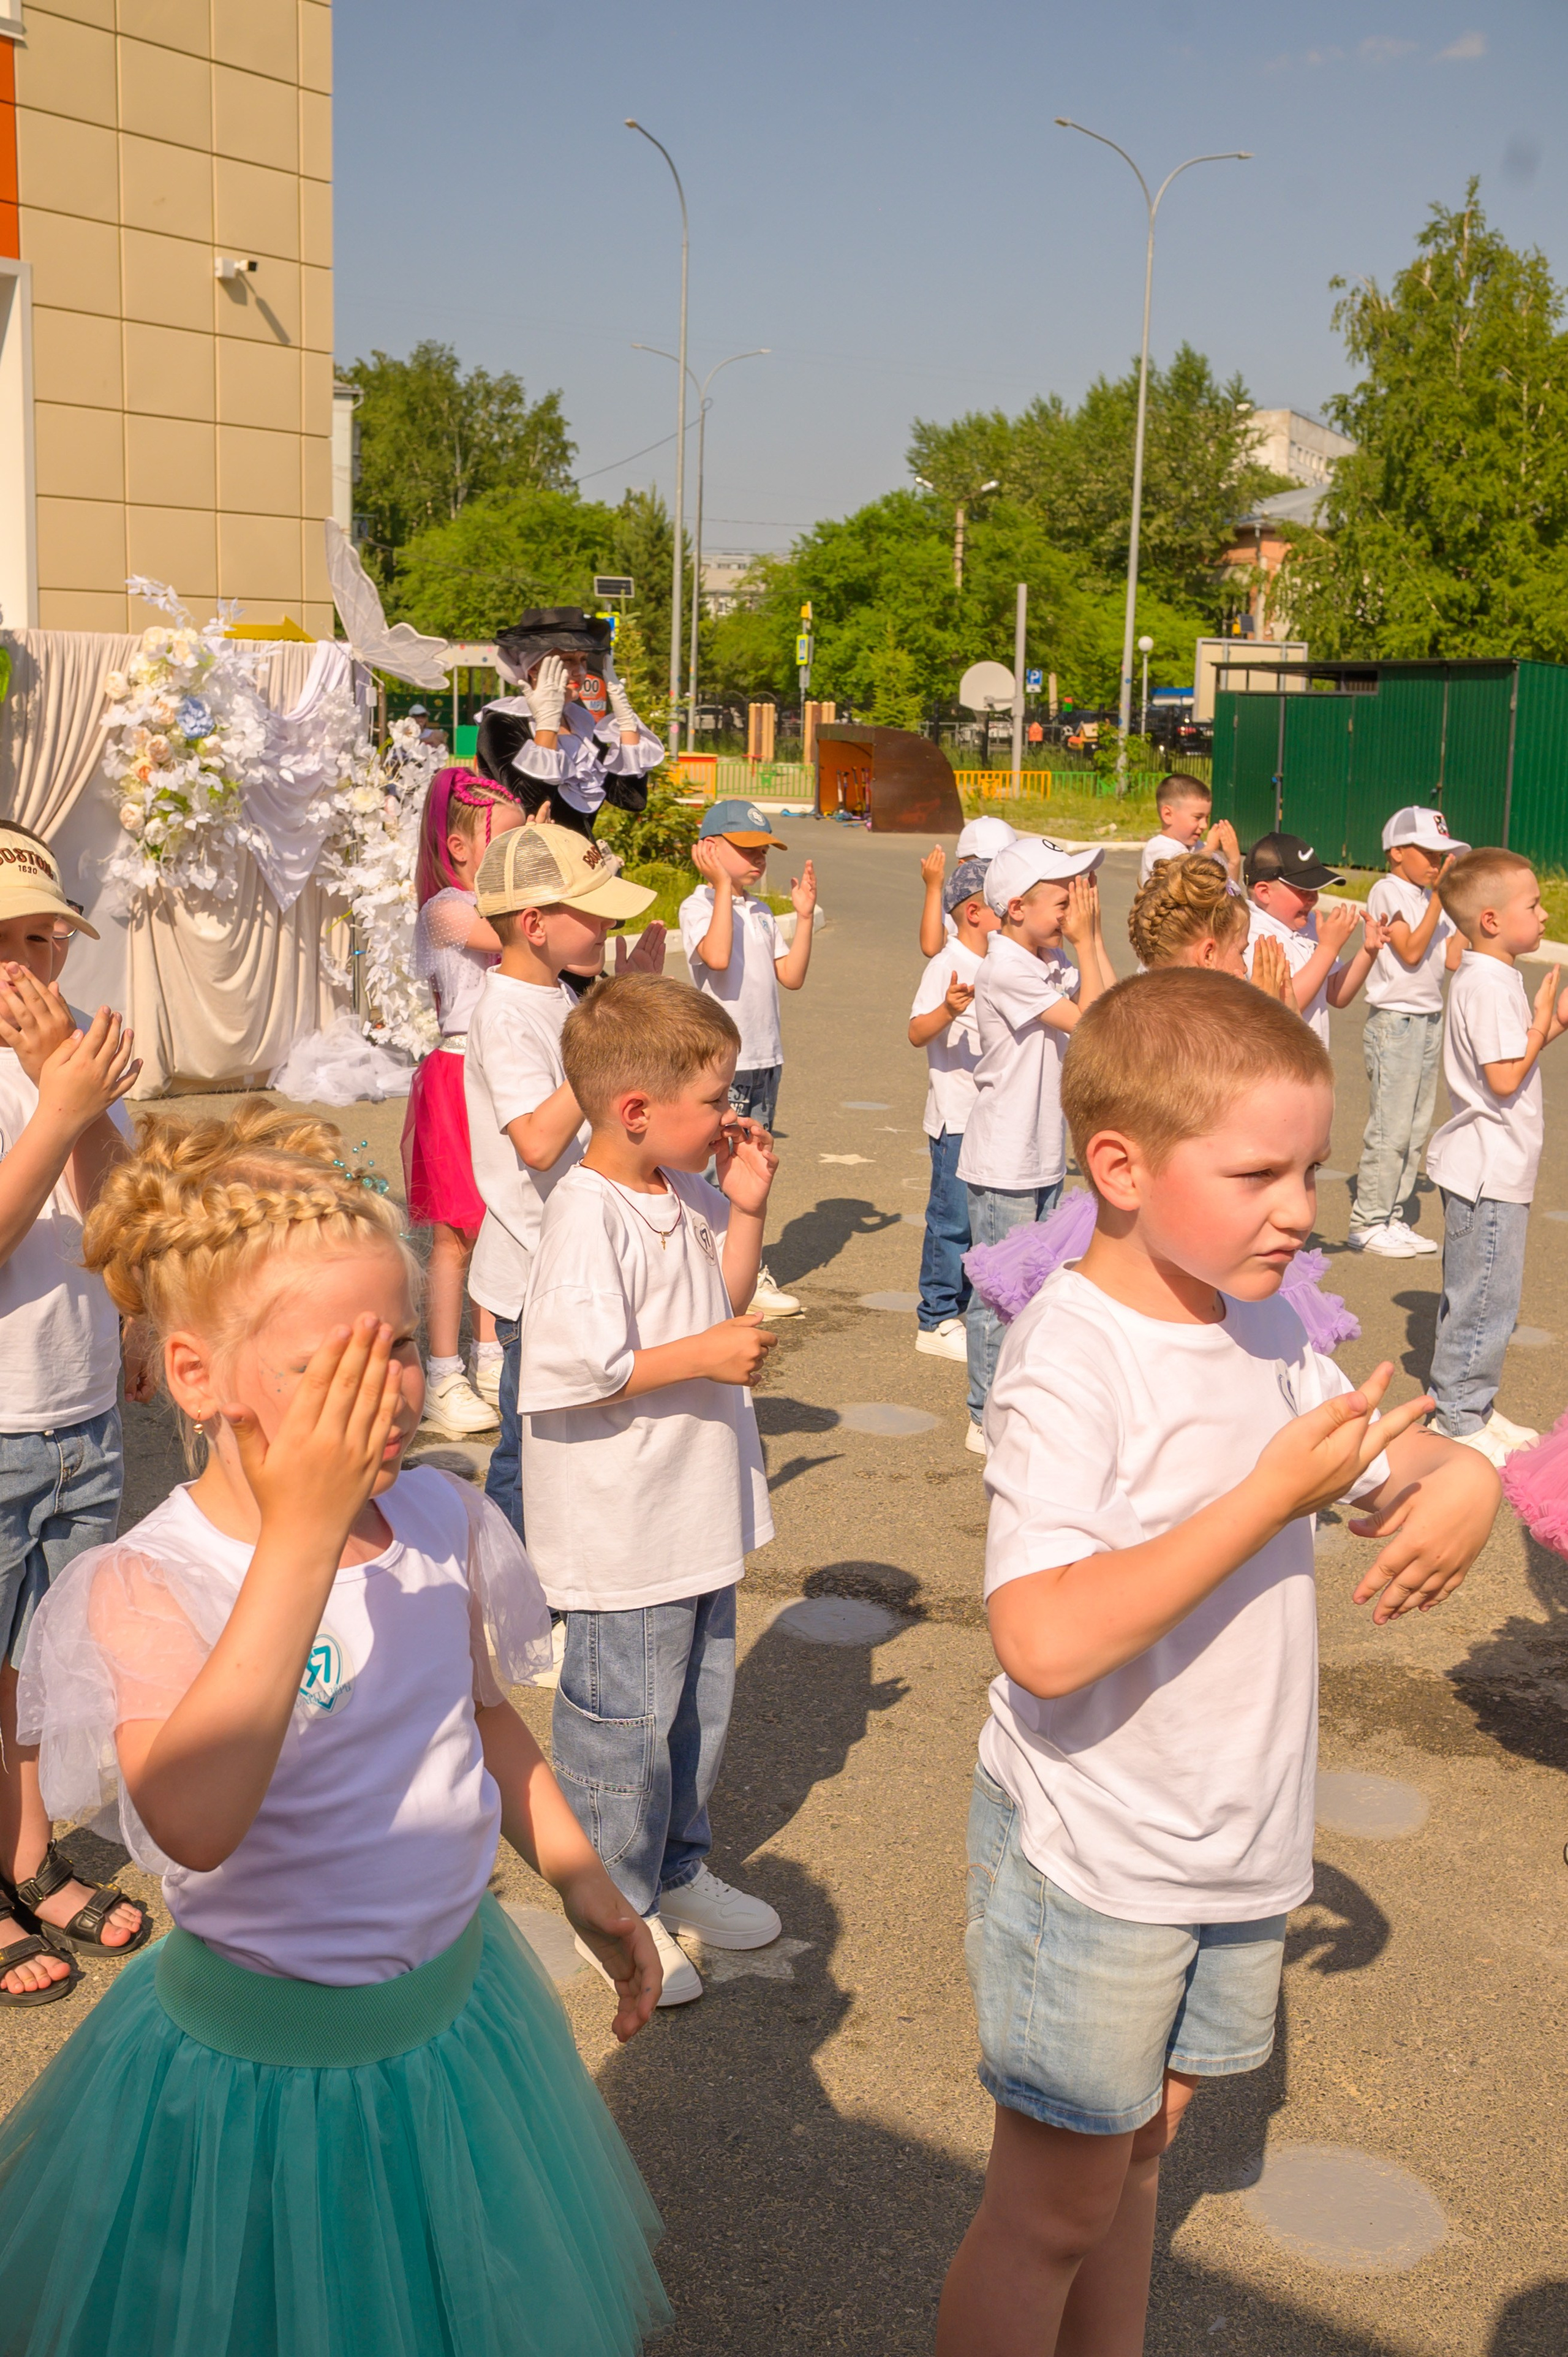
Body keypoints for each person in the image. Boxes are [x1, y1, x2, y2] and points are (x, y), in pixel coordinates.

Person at [2, 1102, 671, 2353]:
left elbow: (481, 1723)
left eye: (406, 1348)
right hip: (262, 2082)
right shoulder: (153, 1584)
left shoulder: (443, 1521)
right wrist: (301, 1543)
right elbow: (192, 1824)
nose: (393, 1394)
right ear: (197, 1376)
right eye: (338, 1368)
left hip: (455, 2026)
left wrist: (585, 1883)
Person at [935, 969, 1500, 2357]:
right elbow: (1040, 1636)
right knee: (1049, 2205)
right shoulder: (1072, 1356)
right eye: (1256, 1171)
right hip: (1098, 1849)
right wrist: (1260, 1498)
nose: (1299, 1207)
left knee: (1137, 2156)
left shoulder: (1260, 1316)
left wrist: (1462, 1478)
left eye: (1307, 1166)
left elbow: (1373, 1446)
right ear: (1117, 1166)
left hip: (1227, 1840)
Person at [516, 974, 780, 2008]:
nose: (731, 1117)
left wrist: (748, 1210)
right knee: (618, 1734)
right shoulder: (588, 1218)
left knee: (693, 1718)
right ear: (637, 1110)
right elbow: (571, 1371)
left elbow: (730, 1293)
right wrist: (704, 1354)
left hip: (695, 1513)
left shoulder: (682, 1193)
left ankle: (676, 1869)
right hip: (626, 1532)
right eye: (713, 1099)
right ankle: (612, 1909)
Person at [0, 824, 151, 2007]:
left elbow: (122, 1231)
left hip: (80, 1414)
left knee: (43, 1665)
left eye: (49, 940)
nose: (36, 969)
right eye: (10, 942)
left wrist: (85, 1108)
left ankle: (25, 1854)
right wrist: (56, 1105)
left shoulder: (68, 1062)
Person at [464, 824, 661, 1548]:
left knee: (569, 1437)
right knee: (529, 1451)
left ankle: (555, 1574)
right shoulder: (506, 1013)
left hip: (567, 1258)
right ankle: (517, 1604)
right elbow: (538, 1140)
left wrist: (621, 997)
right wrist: (604, 1044)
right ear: (535, 924)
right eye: (595, 910)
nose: (609, 923)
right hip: (532, 1270)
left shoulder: (558, 994)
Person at [957, 837, 1115, 1454]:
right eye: (1062, 898)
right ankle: (984, 1413)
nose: (1072, 909)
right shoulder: (1007, 967)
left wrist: (1090, 941)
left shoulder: (1047, 960)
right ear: (1015, 907)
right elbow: (1097, 1025)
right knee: (1001, 1292)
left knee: (1041, 1288)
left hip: (1041, 1150)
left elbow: (1110, 1006)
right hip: (1006, 1159)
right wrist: (1084, 941)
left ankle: (1017, 1400)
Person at [1425, 848, 1568, 1466]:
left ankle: (1474, 1404)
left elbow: (1508, 1062)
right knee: (1483, 1296)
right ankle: (1456, 1415)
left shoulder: (1494, 972)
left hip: (1495, 1166)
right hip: (1487, 1171)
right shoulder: (1485, 982)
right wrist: (1543, 1024)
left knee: (1491, 1294)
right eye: (1532, 905)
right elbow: (1505, 1078)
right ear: (1489, 919)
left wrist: (1551, 1023)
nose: (1542, 915)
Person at [402, 768, 527, 1436]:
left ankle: (489, 1358)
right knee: (452, 1234)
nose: (515, 859)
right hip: (456, 1074)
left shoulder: (490, 905)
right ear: (457, 847)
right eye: (504, 843)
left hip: (499, 1071)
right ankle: (443, 1372)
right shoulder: (448, 908)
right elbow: (513, 938)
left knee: (499, 1218)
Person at [679, 799, 815, 1317]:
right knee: (716, 1166)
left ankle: (744, 1267)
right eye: (747, 850)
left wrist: (802, 918)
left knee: (751, 1161)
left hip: (766, 1058)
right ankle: (710, 1269)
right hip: (722, 1063)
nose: (759, 861)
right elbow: (715, 957)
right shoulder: (698, 906)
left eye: (764, 851)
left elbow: (793, 975)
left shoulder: (759, 911)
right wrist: (718, 887)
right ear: (710, 849)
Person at [1347, 806, 1467, 1260]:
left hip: (1427, 1020)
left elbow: (1451, 958)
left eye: (1443, 854)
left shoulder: (1429, 898)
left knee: (1416, 1129)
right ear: (1397, 852)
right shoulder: (1388, 890)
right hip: (1395, 1022)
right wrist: (1438, 899)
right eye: (1429, 852)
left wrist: (1462, 908)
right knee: (1391, 1127)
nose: (1437, 862)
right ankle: (1368, 1221)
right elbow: (1412, 951)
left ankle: (1392, 1215)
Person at [908, 857, 1000, 1361]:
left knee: (984, 1218)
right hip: (957, 1113)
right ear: (973, 911)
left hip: (994, 1114)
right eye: (1004, 905)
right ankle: (937, 1317)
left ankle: (965, 1308)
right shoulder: (947, 963)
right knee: (953, 1219)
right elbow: (916, 1030)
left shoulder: (1002, 961)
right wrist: (949, 1009)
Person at [474, 607, 662, 845]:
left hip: (581, 860)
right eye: (567, 661)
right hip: (530, 861)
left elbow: (630, 799)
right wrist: (547, 726)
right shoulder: (503, 721)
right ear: (534, 668)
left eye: (583, 660)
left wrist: (626, 723)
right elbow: (530, 806)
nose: (580, 671)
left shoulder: (580, 723)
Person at [1243, 831, 1384, 1044]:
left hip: (1310, 1067)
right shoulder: (1253, 934)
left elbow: (1337, 994)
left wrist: (1368, 951)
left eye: (1316, 890)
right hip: (1281, 1067)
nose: (1314, 898)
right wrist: (1328, 948)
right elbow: (1284, 1005)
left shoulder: (1306, 926)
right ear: (1264, 892)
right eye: (1304, 890)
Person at [1128, 851, 1294, 1002]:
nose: (1245, 967)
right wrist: (1269, 1012)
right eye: (1241, 952)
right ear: (1208, 955)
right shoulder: (1221, 1027)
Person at [919, 817, 1017, 957]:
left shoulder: (1021, 893)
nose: (1000, 870)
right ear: (963, 867)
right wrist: (933, 888)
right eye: (990, 864)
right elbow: (931, 948)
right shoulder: (960, 902)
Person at [1137, 773, 1240, 887]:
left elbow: (1228, 892)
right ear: (1168, 815)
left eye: (1207, 817)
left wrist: (1234, 862)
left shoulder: (1199, 848)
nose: (1204, 825)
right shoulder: (1158, 847)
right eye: (1198, 817)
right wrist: (1210, 849)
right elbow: (1182, 874)